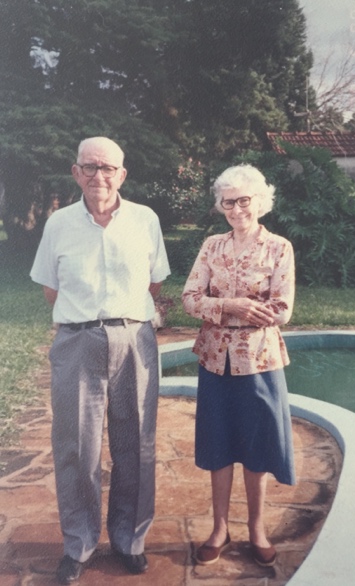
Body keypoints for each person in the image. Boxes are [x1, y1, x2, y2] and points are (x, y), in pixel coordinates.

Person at [30, 137, 171, 584]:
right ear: (76, 173)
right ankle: (79, 544)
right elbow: (52, 289)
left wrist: (125, 321)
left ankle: (130, 539)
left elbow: (154, 284)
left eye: (108, 168)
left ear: (122, 175)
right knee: (76, 447)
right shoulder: (59, 224)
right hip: (77, 340)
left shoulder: (146, 220)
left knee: (137, 445)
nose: (99, 176)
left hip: (135, 339)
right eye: (89, 167)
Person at [182, 164, 295, 568]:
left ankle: (257, 529)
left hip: (260, 362)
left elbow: (281, 310)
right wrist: (233, 305)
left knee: (257, 448)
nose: (236, 209)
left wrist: (222, 311)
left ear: (259, 201)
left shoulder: (279, 248)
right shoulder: (211, 246)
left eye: (243, 200)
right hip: (214, 362)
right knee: (218, 445)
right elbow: (190, 299)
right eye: (228, 202)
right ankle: (219, 528)